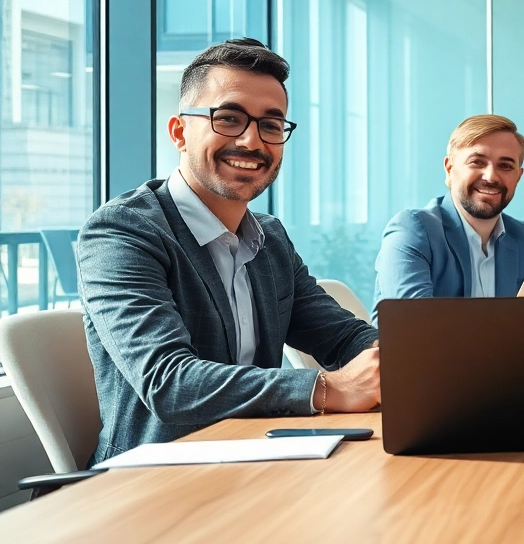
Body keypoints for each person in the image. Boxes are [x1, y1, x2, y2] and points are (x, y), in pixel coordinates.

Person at [77, 39, 380, 465]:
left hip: (260, 458)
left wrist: (404, 360)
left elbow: (343, 337)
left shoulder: (270, 238)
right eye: (229, 119)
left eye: (271, 125)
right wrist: (329, 389)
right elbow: (169, 383)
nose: (252, 141)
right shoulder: (122, 231)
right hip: (154, 475)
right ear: (179, 132)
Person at [372, 114, 524, 324]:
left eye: (506, 166)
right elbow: (414, 326)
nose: (491, 176)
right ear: (449, 169)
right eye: (477, 162)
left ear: (518, 176)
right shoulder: (412, 230)